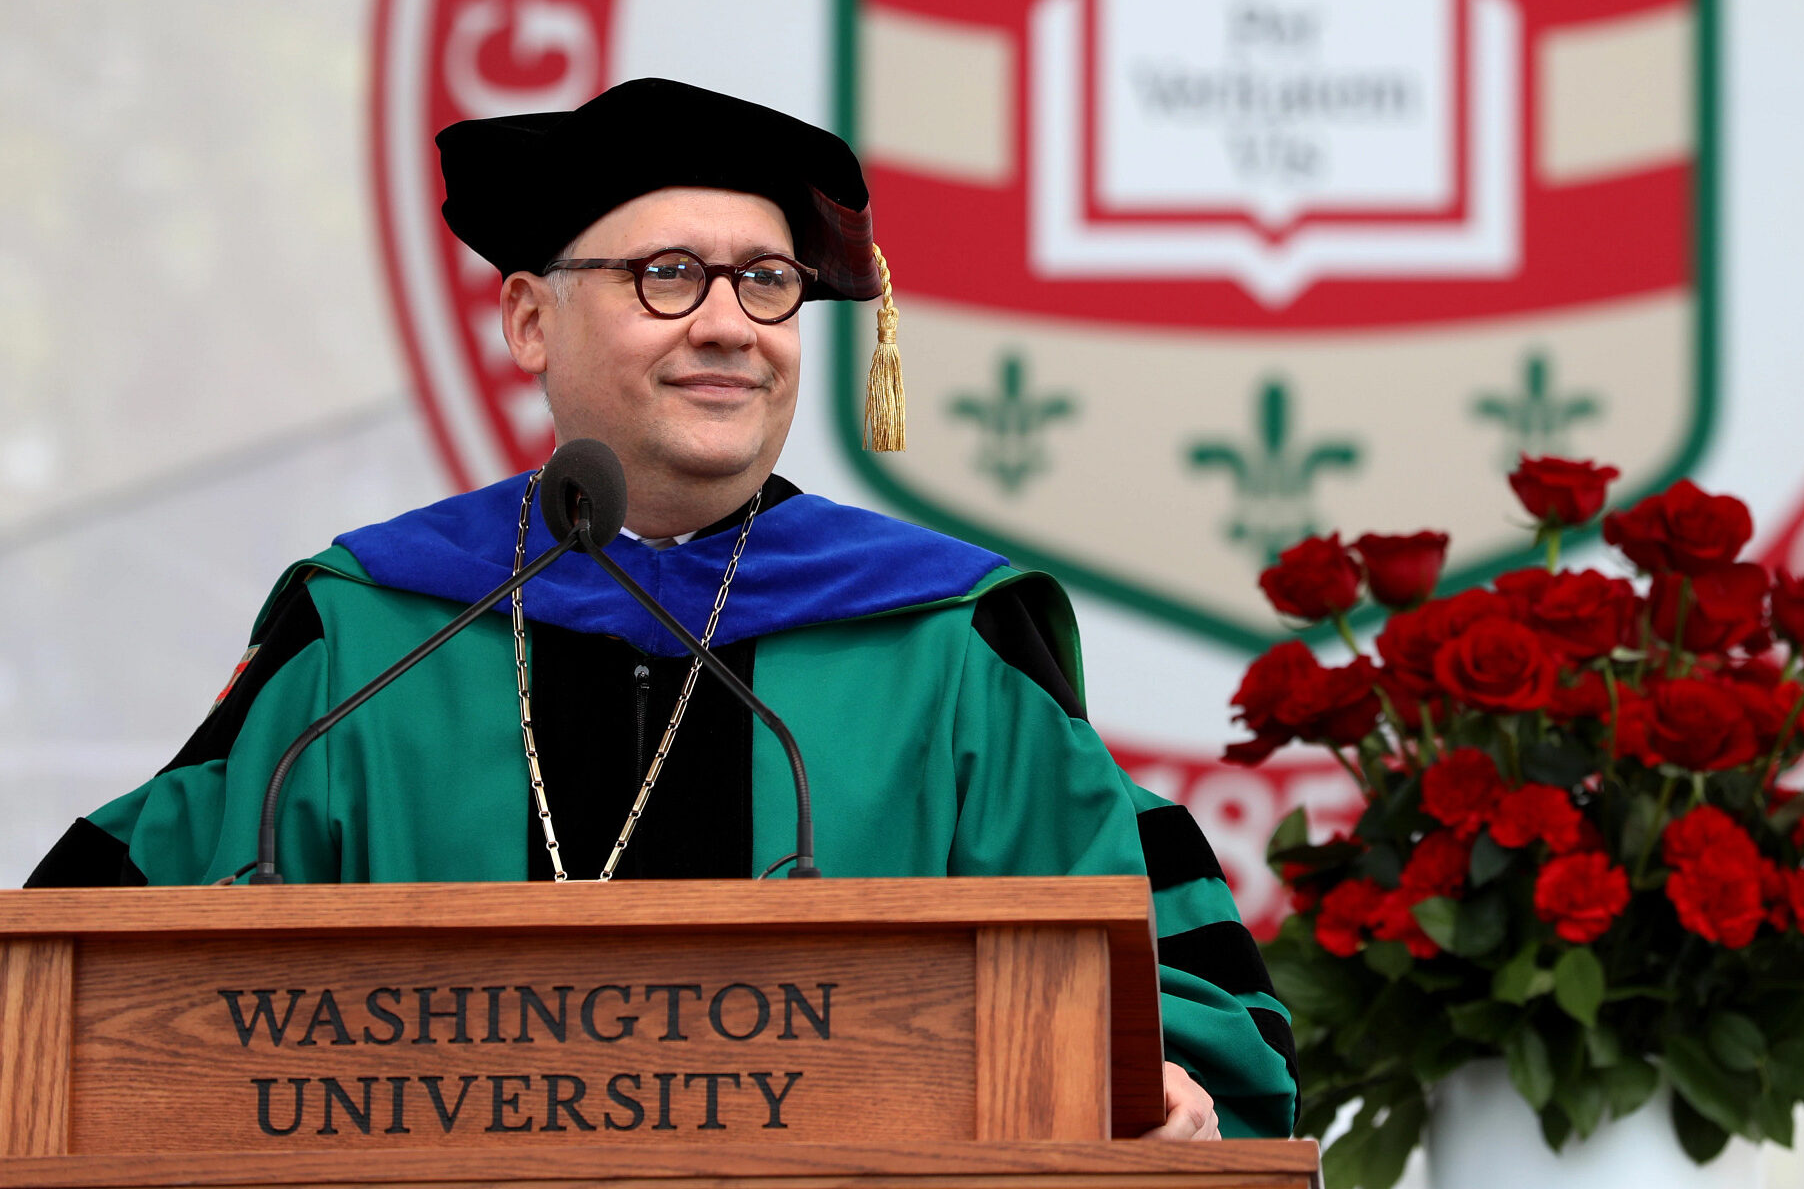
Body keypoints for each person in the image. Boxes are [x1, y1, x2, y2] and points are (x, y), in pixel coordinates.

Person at [26, 79, 1296, 1139]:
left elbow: (1154, 974)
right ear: (532, 319)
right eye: (670, 275)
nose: (732, 327)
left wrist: (1168, 1085)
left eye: (768, 282)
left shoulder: (946, 638)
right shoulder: (366, 629)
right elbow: (108, 968)